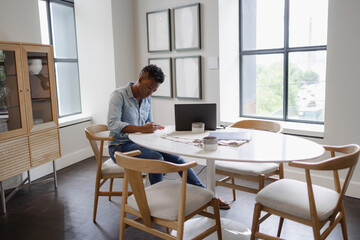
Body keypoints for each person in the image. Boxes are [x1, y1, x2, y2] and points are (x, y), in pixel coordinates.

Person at [107, 64, 230, 209]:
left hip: (141, 144)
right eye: (149, 87)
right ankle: (157, 202)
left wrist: (153, 127)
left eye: (154, 90)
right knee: (156, 158)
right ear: (140, 79)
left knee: (178, 159)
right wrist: (142, 128)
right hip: (120, 147)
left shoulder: (147, 99)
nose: (150, 93)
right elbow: (112, 124)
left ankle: (209, 196)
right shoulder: (119, 95)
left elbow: (147, 123)